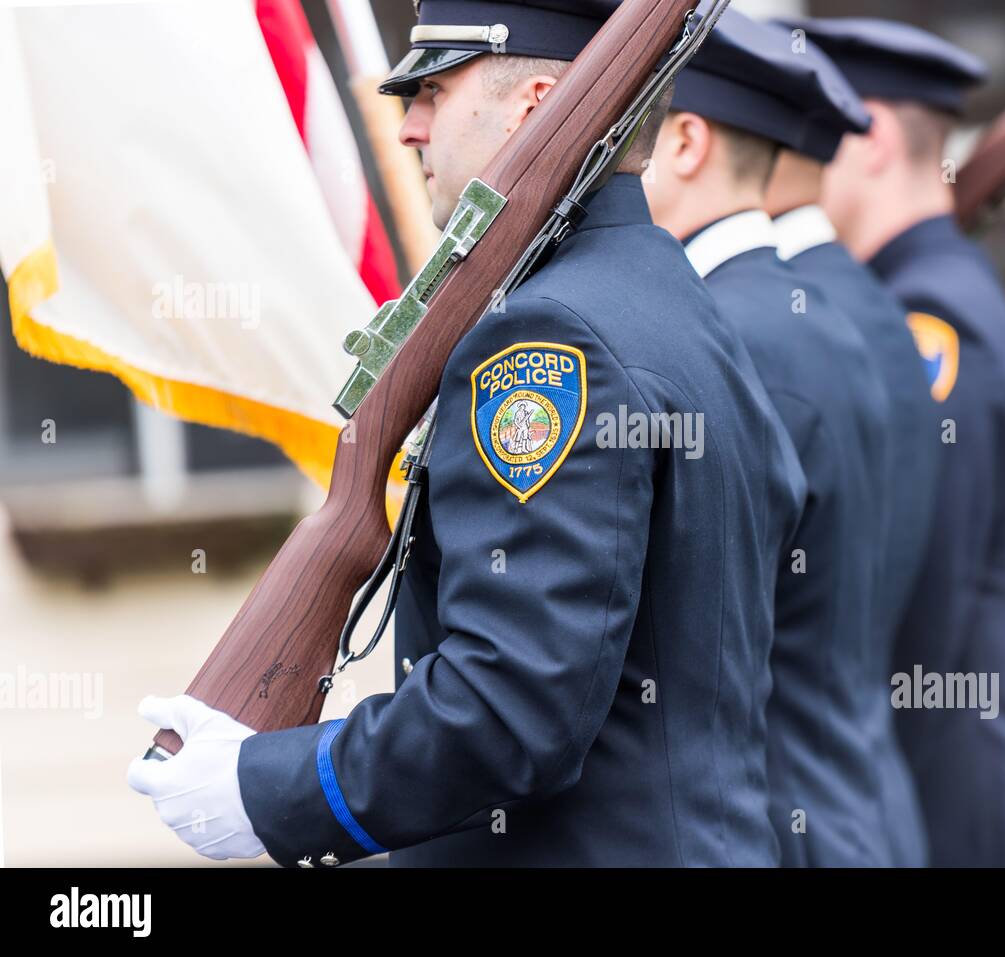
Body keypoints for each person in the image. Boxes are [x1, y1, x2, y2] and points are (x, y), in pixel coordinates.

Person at [128, 0, 807, 868]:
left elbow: (511, 707)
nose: (407, 129)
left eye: (433, 93)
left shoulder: (546, 337)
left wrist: (271, 785)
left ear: (531, 106)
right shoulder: (675, 301)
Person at [782, 15, 1005, 866]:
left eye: (814, 135)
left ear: (871, 137)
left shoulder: (929, 321)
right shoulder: (920, 291)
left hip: (963, 788)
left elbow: (922, 588)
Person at [641, 10, 921, 866]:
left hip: (785, 823)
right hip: (852, 804)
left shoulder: (729, 335)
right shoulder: (812, 315)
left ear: (686, 141)